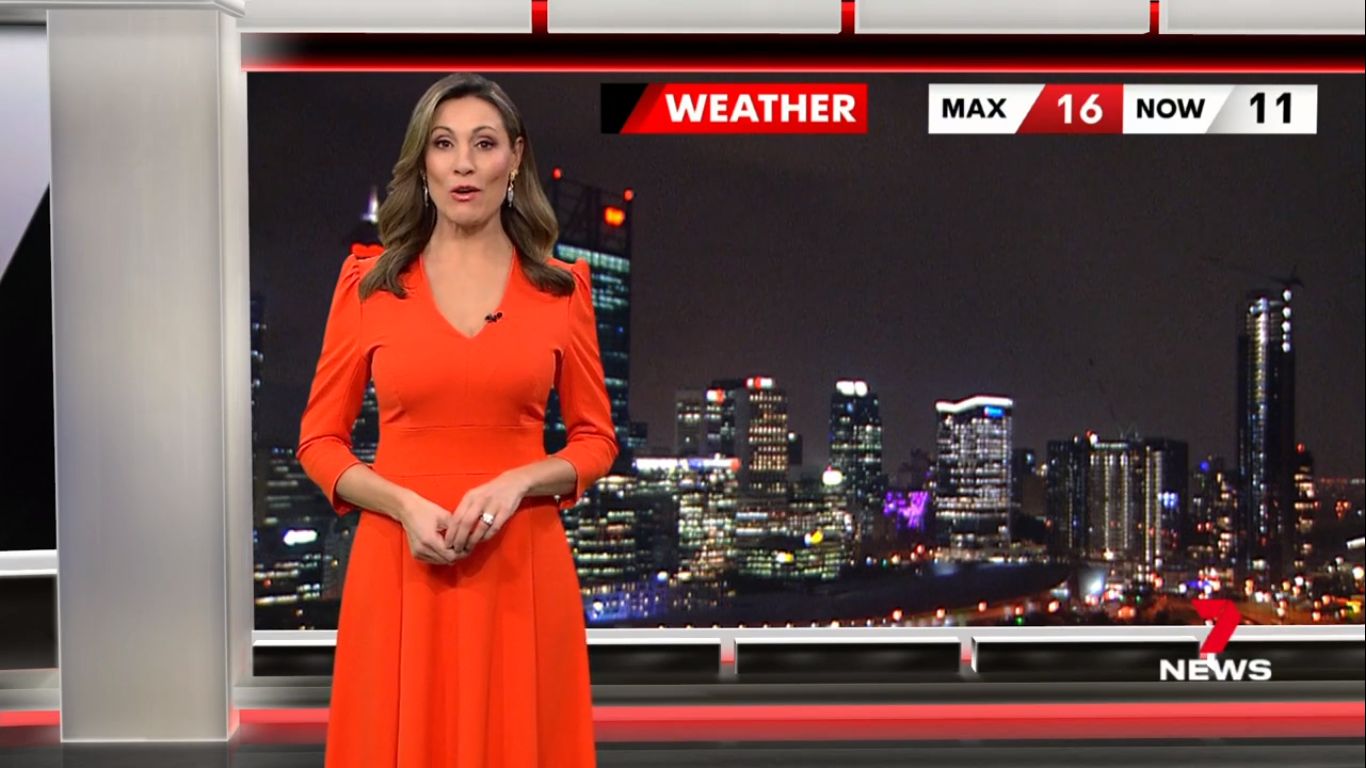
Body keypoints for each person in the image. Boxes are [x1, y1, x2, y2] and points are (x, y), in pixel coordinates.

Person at [297, 72, 618, 768]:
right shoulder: (368, 285)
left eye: (484, 143)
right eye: (444, 144)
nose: (464, 163)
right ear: (423, 163)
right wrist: (401, 505)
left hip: (521, 569)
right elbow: (319, 441)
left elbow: (595, 440)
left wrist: (520, 481)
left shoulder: (562, 290)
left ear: (515, 158)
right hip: (398, 567)